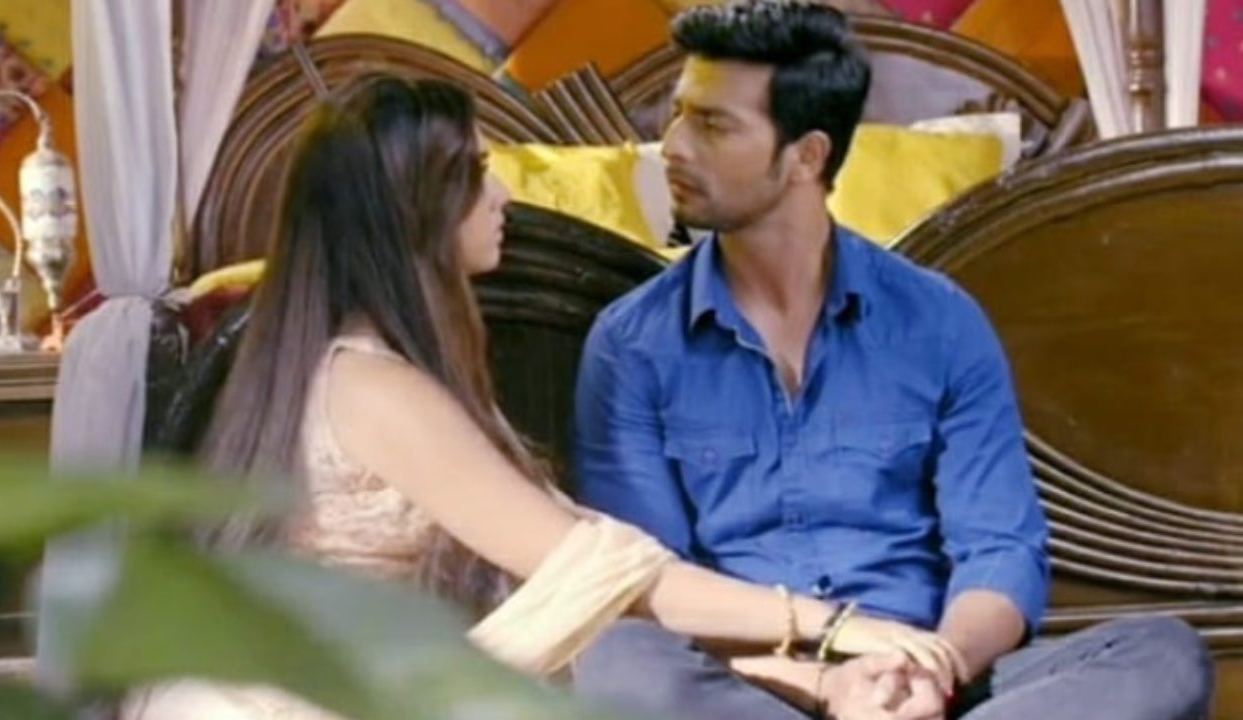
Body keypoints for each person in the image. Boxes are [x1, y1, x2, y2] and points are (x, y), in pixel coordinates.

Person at [124, 74, 966, 720]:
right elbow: (605, 572)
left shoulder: (405, 375)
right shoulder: (371, 387)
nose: (504, 197)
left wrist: (815, 680)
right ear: (413, 207)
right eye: (476, 174)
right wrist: (833, 624)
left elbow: (583, 604)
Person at [571, 3, 1214, 720]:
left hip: (931, 677)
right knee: (620, 663)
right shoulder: (631, 345)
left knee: (1163, 654)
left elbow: (1000, 553)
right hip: (752, 689)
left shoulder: (940, 321)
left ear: (807, 156)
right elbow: (649, 589)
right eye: (676, 116)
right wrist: (826, 686)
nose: (674, 147)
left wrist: (934, 669)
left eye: (712, 125)